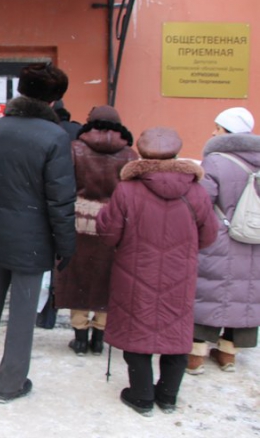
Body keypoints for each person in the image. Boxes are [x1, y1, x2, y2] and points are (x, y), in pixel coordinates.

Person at [0, 62, 76, 403]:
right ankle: (10, 384)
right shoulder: (55, 136)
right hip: (34, 237)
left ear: (21, 91)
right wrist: (66, 244)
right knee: (23, 313)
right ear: (53, 100)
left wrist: (3, 190)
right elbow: (60, 198)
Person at [97, 127, 218, 416]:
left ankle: (141, 396)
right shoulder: (196, 191)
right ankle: (167, 396)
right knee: (176, 330)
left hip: (135, 271)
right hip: (180, 273)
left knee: (136, 329)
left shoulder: (127, 190)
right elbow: (209, 235)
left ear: (142, 153)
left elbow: (109, 234)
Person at [53, 105, 138, 355]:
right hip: (115, 223)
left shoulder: (75, 149)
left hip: (78, 220)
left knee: (77, 276)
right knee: (107, 278)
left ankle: (80, 338)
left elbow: (64, 184)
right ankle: (99, 338)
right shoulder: (130, 155)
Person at [188, 107, 260, 374]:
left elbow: (201, 202)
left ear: (228, 132)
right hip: (255, 236)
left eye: (217, 128)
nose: (213, 132)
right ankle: (228, 353)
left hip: (219, 236)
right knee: (247, 294)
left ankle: (196, 355)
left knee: (209, 291)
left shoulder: (216, 161)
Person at [36, 99, 82, 330]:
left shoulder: (43, 132)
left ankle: (45, 316)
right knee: (60, 262)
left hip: (43, 204)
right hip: (71, 202)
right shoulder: (77, 132)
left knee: (45, 267)